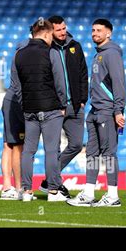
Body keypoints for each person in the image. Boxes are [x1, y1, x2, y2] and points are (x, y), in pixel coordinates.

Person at [67, 18, 126, 208]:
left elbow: (119, 84)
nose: (94, 33)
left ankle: (113, 195)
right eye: (93, 30)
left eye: (99, 30)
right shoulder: (98, 54)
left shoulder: (112, 54)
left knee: (109, 154)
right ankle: (89, 192)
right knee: (92, 154)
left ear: (108, 33)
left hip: (108, 111)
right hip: (95, 111)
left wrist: (118, 110)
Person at [15, 19, 68, 202]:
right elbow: (60, 82)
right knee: (51, 150)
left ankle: (26, 191)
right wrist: (63, 104)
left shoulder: (19, 54)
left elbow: (17, 86)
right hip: (51, 108)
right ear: (46, 34)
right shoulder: (51, 52)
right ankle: (53, 191)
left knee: (28, 151)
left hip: (29, 109)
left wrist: (25, 104)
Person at [37, 15, 88, 198]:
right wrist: (56, 104)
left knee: (75, 144)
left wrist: (82, 100)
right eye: (58, 29)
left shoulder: (75, 46)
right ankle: (53, 185)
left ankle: (50, 179)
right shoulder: (45, 49)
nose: (62, 32)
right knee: (54, 148)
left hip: (76, 105)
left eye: (64, 28)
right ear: (51, 31)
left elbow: (83, 74)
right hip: (55, 108)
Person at [0, 39, 28, 200]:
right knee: (17, 145)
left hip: (10, 100)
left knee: (8, 145)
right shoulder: (25, 52)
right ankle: (18, 188)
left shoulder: (19, 51)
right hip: (17, 101)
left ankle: (7, 187)